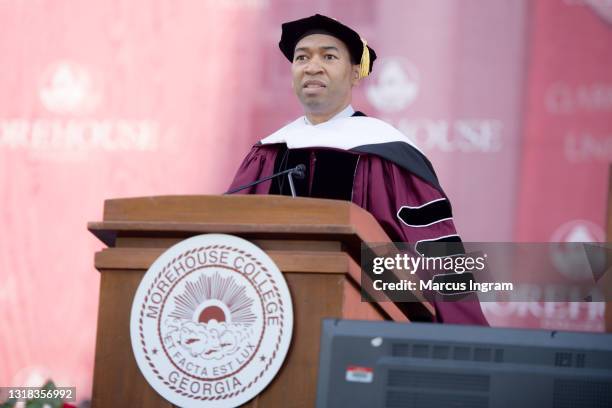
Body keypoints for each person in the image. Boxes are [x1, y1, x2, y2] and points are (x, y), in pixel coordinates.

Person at [228, 14, 488, 325]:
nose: (312, 66)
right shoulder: (269, 153)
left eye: (328, 56)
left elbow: (433, 254)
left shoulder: (385, 152)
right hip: (270, 324)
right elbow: (232, 236)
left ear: (354, 73)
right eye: (302, 57)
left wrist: (461, 334)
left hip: (364, 327)